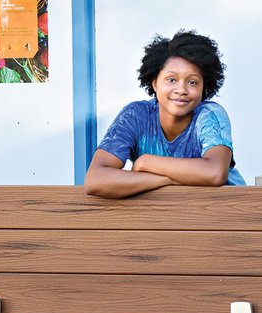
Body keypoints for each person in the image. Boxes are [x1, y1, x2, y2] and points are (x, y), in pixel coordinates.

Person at [85, 30, 245, 198]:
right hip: (166, 213)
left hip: (224, 209)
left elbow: (215, 173)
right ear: (154, 83)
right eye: (171, 80)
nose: (181, 90)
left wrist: (146, 162)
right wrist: (165, 180)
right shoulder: (136, 115)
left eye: (192, 82)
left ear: (204, 87)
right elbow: (95, 180)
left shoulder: (209, 115)